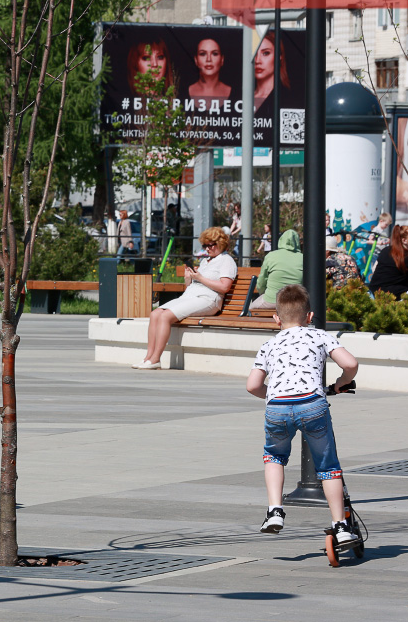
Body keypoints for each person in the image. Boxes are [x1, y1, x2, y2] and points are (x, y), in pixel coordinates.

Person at [247, 284, 360, 547]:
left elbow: (252, 385)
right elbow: (350, 364)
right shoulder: (319, 336)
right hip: (312, 405)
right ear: (309, 317)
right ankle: (341, 526)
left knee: (274, 456)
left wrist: (274, 394)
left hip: (277, 408)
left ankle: (275, 511)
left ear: (277, 318)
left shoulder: (269, 344)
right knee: (328, 466)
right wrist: (342, 381)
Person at [134, 227, 236, 369]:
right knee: (155, 313)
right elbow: (192, 286)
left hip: (208, 299)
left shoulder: (226, 260)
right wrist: (189, 279)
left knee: (165, 316)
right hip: (191, 296)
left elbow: (224, 287)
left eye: (210, 245)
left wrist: (200, 277)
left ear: (221, 243)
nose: (207, 249)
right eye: (205, 245)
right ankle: (148, 357)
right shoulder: (206, 261)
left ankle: (156, 359)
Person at [250, 230, 303, 311]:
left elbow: (261, 282)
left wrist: (262, 293)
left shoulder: (271, 256)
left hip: (271, 300)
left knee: (249, 309)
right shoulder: (303, 258)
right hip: (295, 302)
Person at [367, 224, 408, 298]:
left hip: (374, 292)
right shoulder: (406, 256)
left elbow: (374, 269)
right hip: (390, 295)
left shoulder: (386, 250)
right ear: (404, 240)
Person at [253, 31, 290, 110]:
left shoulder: (288, 98)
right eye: (254, 53)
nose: (257, 60)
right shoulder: (240, 97)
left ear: (279, 56)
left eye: (266, 53)